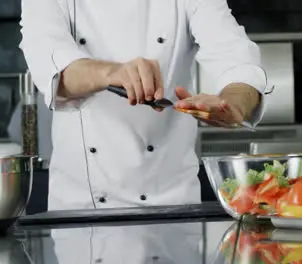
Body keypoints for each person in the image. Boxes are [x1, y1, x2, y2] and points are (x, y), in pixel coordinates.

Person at [20, 0, 267, 211]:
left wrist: (234, 101)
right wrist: (112, 73)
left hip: (173, 209)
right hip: (80, 209)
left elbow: (236, 57)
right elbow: (51, 64)